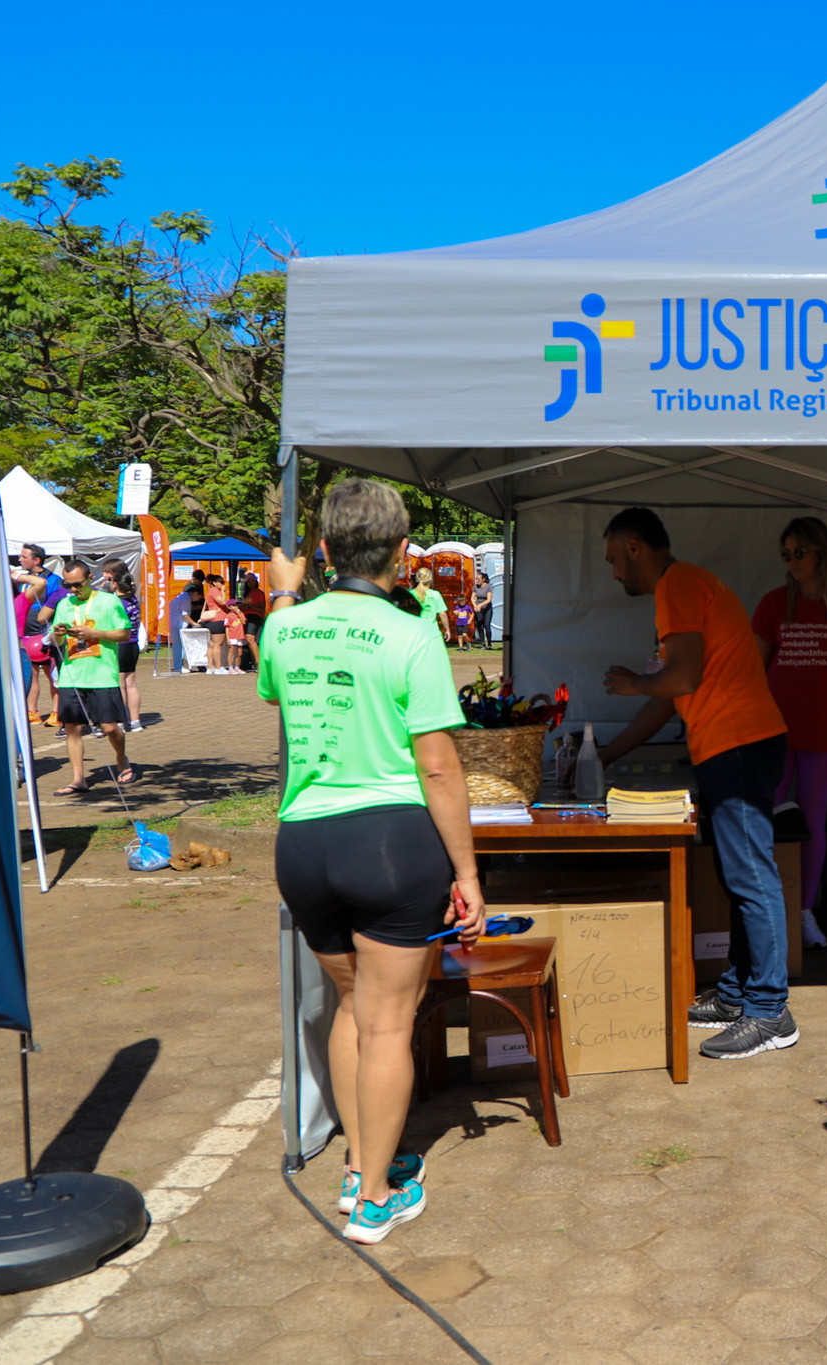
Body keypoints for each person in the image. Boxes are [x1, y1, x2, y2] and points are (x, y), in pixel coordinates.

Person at [258, 479, 484, 1244]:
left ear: (323, 551)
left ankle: (361, 1162)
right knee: (389, 1022)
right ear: (400, 553)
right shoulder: (412, 632)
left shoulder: (282, 630)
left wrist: (285, 595)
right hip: (389, 844)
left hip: (304, 843)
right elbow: (441, 768)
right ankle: (376, 1196)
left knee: (353, 1005)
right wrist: (469, 874)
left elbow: (274, 670)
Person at [594, 507, 797, 1061]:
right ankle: (737, 995)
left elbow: (679, 678)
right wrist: (607, 754)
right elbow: (670, 696)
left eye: (615, 559)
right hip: (735, 746)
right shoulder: (687, 585)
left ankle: (771, 1011)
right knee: (739, 877)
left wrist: (635, 682)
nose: (614, 573)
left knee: (751, 876)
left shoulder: (677, 585)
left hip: (740, 745)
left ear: (636, 547)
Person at [749, 516, 827, 950]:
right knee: (771, 820)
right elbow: (753, 670)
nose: (792, 560)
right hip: (774, 734)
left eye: (800, 551)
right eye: (786, 553)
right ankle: (769, 914)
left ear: (823, 552)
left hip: (825, 733)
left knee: (813, 822)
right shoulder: (773, 603)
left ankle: (803, 911)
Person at [50, 561, 135, 795]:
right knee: (72, 729)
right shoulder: (65, 603)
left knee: (109, 728)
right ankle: (78, 779)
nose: (73, 590)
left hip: (101, 675)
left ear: (90, 578)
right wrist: (57, 634)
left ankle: (121, 757)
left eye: (77, 584)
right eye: (68, 585)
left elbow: (125, 633)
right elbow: (54, 641)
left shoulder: (109, 601)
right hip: (71, 675)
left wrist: (94, 633)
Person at [15, 545, 65, 725]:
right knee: (32, 674)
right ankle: (32, 711)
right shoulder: (24, 581)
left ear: (36, 560)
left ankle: (56, 712)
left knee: (52, 673)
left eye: (23, 556)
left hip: (45, 634)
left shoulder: (53, 580)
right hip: (27, 636)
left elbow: (58, 605)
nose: (20, 560)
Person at [97, 558, 144, 732]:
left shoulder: (116, 602)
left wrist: (105, 594)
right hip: (133, 645)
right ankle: (135, 721)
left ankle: (120, 722)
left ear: (115, 581)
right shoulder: (133, 599)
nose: (104, 578)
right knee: (130, 683)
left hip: (121, 645)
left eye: (108, 575)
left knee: (120, 683)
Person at [199, 573, 240, 673]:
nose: (222, 584)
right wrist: (223, 591)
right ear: (214, 583)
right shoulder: (214, 591)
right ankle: (218, 668)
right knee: (218, 645)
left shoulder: (211, 591)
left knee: (212, 644)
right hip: (218, 620)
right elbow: (222, 602)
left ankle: (211, 667)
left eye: (223, 582)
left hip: (214, 620)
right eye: (220, 583)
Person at [238, 572, 267, 672]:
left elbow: (262, 609)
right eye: (248, 581)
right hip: (246, 617)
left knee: (250, 639)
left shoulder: (258, 593)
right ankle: (254, 662)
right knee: (248, 640)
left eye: (252, 581)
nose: (250, 583)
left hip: (254, 617)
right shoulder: (247, 594)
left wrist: (250, 607)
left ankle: (259, 663)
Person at [411, 567, 448, 643]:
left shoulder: (411, 594)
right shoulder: (435, 595)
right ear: (430, 579)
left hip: (415, 631)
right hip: (431, 631)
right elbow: (442, 614)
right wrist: (447, 630)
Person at [471, 574, 494, 649]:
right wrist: (475, 605)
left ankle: (489, 643)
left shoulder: (488, 587)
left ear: (483, 579)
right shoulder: (475, 587)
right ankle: (482, 643)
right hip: (478, 609)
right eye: (476, 578)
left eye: (478, 579)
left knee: (486, 625)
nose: (477, 580)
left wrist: (480, 605)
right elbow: (472, 597)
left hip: (487, 608)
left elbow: (488, 600)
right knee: (480, 625)